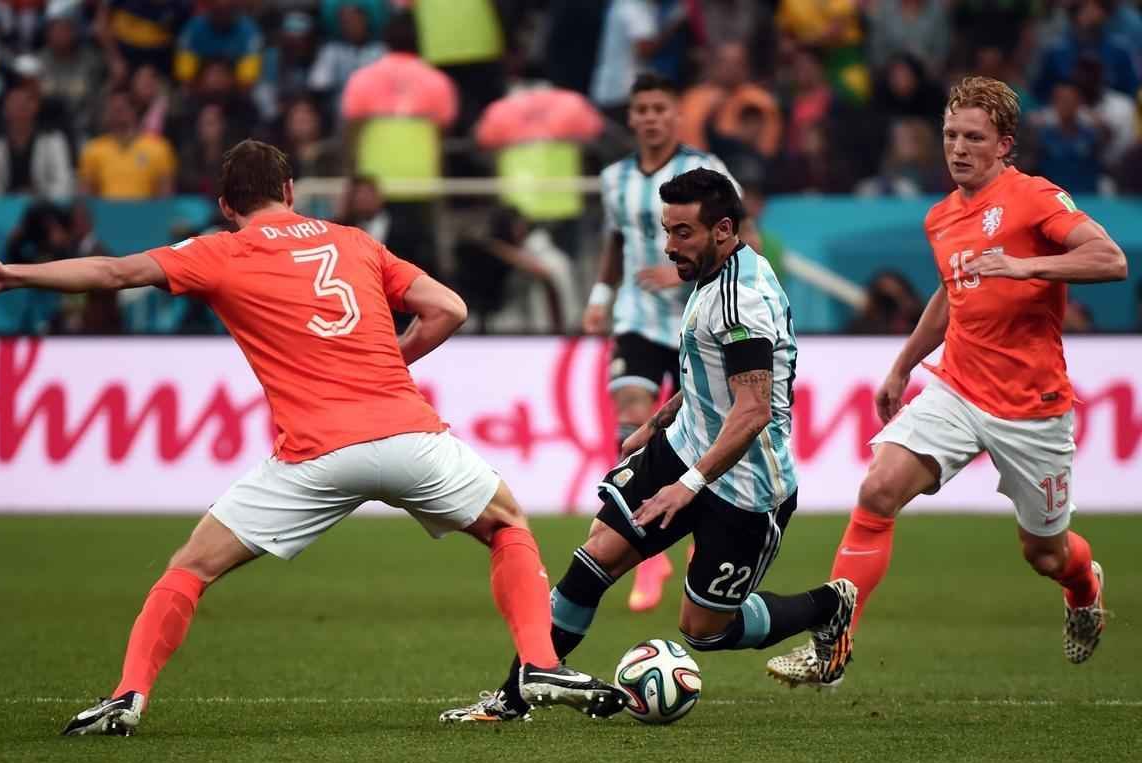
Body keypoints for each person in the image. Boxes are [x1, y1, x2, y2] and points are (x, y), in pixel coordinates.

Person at [0, 139, 625, 736]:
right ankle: (539, 663)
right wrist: (390, 362)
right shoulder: (355, 241)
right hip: (409, 436)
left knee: (191, 567)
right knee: (507, 524)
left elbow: (113, 274)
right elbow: (448, 308)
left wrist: (14, 276)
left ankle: (127, 696)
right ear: (289, 190)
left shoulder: (220, 251)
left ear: (226, 205)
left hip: (316, 455)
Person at [441, 168, 855, 723]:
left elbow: (753, 409)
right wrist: (660, 421)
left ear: (723, 230)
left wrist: (687, 487)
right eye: (667, 230)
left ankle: (827, 606)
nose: (669, 246)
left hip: (747, 486)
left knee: (704, 630)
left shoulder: (742, 301)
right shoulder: (718, 272)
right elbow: (713, 371)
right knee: (595, 558)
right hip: (685, 448)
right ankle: (512, 698)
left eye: (683, 232)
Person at [766, 76, 1127, 688]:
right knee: (878, 490)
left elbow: (1110, 259)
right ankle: (833, 648)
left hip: (1031, 407)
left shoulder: (1035, 197)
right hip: (958, 388)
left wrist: (1026, 266)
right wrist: (903, 364)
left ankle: (1084, 589)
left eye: (974, 138)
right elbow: (950, 294)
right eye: (951, 135)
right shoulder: (942, 217)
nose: (958, 148)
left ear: (1004, 144)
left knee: (1046, 554)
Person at [583, 72, 758, 613]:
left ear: (675, 115)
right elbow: (615, 241)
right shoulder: (614, 178)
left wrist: (682, 272)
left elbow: (740, 234)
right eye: (642, 109)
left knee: (709, 425)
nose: (651, 118)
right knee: (632, 409)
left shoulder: (705, 169)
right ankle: (647, 550)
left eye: (661, 108)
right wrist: (600, 296)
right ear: (631, 118)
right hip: (636, 317)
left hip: (699, 319)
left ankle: (699, 523)